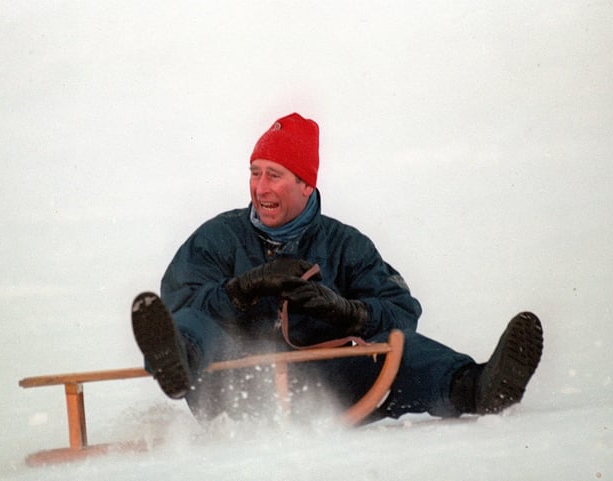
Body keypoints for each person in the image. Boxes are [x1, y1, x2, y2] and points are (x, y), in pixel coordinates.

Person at [131, 112, 543, 423]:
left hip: (328, 382)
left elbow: (400, 309)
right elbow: (180, 299)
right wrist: (242, 290)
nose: (260, 188)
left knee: (400, 345)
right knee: (189, 322)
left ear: (306, 185)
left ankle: (476, 387)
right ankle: (177, 365)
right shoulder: (218, 236)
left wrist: (349, 312)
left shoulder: (344, 244)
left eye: (274, 175)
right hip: (234, 383)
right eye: (255, 173)